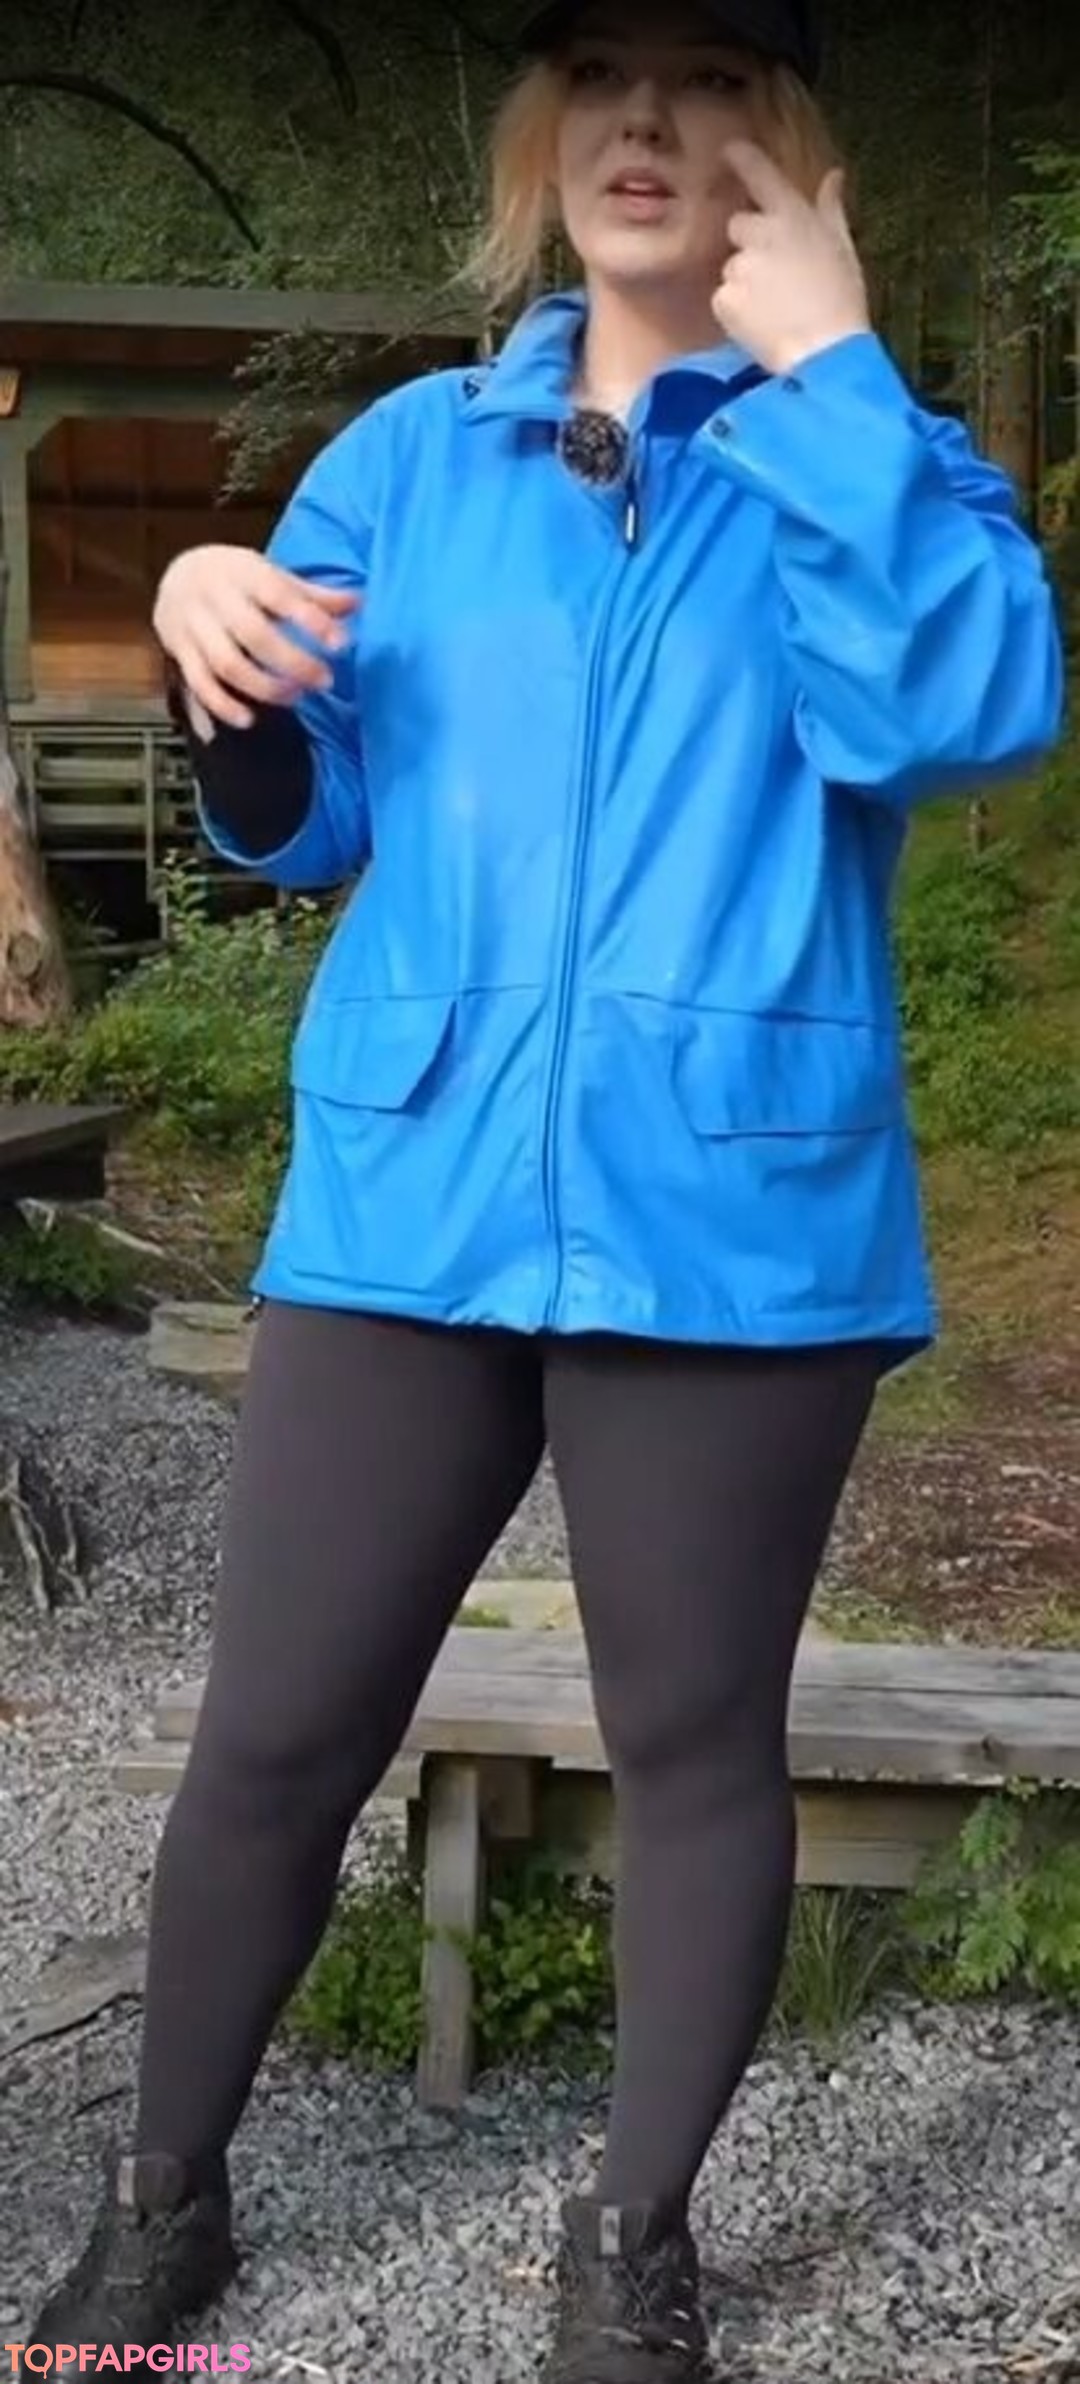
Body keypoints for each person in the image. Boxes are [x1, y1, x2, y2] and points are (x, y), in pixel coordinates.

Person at [21, 0, 1064, 2377]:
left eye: (707, 78)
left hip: (737, 1217)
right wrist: (214, 658)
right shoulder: (410, 456)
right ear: (541, 135)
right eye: (602, 74)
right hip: (413, 1195)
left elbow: (962, 715)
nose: (644, 121)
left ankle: (632, 2245)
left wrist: (833, 380)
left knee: (695, 1745)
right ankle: (163, 2199)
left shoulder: (881, 457)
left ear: (784, 149)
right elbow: (309, 819)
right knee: (275, 1732)